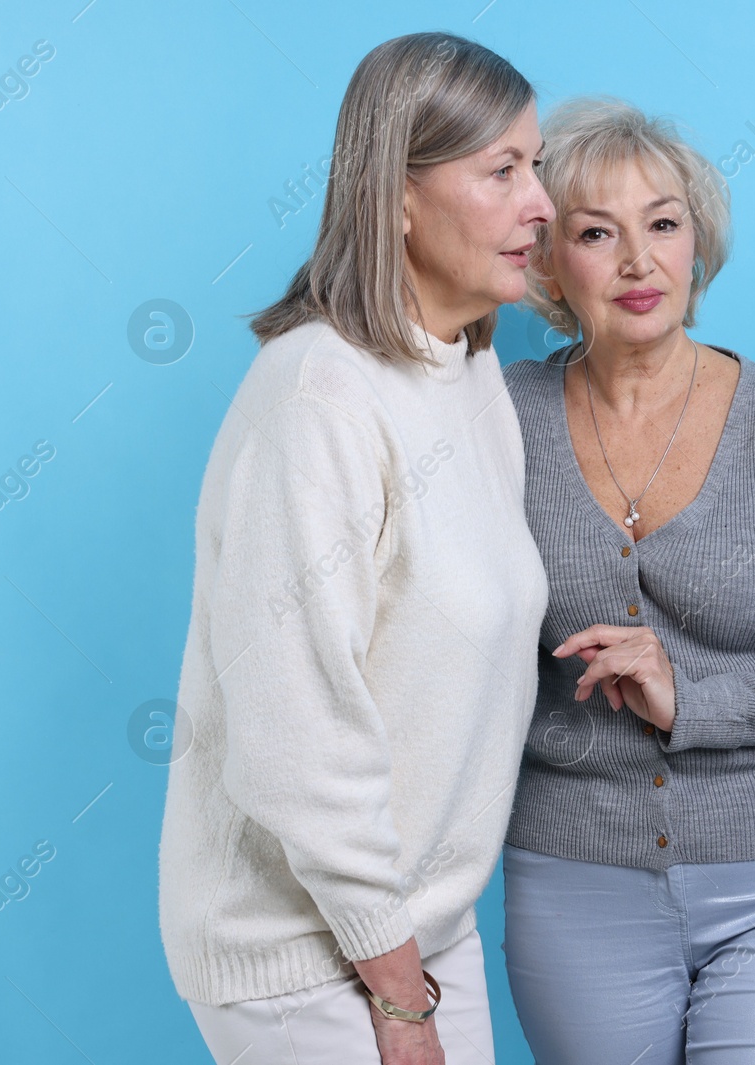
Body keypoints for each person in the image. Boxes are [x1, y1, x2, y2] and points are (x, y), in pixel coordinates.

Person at [158, 33, 552, 1065]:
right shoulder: (317, 396)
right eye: (502, 170)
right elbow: (293, 727)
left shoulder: (467, 375)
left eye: (538, 166)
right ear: (399, 195)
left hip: (421, 926)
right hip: (306, 949)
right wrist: (396, 989)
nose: (540, 204)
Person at [498, 97, 755, 1064]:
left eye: (664, 223)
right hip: (571, 866)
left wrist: (695, 699)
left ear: (698, 242)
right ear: (549, 261)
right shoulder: (497, 419)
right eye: (597, 233)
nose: (640, 262)